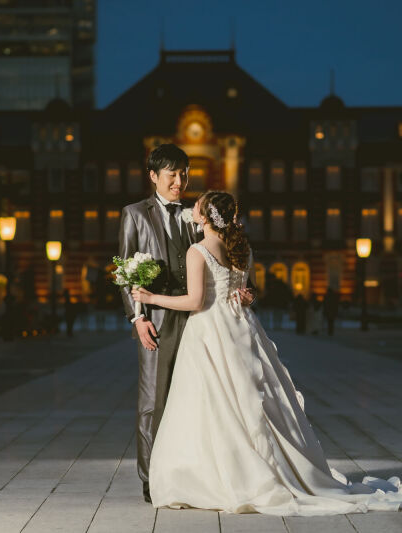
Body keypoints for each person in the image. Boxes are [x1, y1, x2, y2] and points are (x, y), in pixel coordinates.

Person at [132, 191, 402, 515]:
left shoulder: (198, 251)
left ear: (207, 216)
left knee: (211, 402)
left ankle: (216, 475)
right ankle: (263, 467)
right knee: (251, 401)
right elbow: (246, 290)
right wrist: (246, 296)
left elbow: (195, 301)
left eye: (198, 205)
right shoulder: (241, 249)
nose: (192, 206)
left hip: (209, 329)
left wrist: (151, 299)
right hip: (241, 328)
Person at [117, 145, 255, 503]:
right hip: (157, 318)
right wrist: (137, 318)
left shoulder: (195, 215)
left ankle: (193, 471)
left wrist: (241, 288)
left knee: (196, 397)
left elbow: (219, 256)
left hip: (199, 315)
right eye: (172, 175)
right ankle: (151, 479)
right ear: (153, 176)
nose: (180, 182)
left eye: (184, 174)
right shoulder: (133, 214)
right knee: (154, 400)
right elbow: (124, 273)